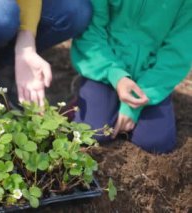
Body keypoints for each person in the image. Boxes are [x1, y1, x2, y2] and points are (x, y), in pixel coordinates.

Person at [71, 0, 192, 153]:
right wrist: (116, 75)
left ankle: (125, 107)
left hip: (151, 77)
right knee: (91, 132)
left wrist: (134, 103)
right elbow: (92, 32)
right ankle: (81, 101)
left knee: (157, 142)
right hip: (106, 66)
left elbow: (177, 54)